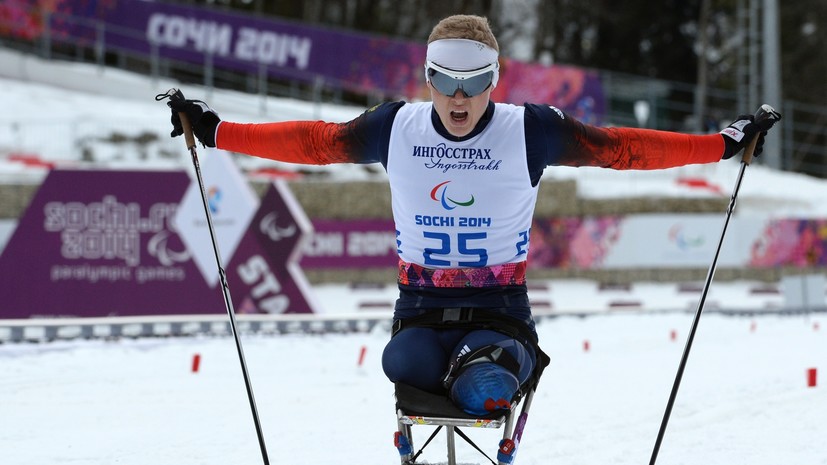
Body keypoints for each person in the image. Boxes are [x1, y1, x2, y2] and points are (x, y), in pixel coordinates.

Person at [165, 14, 780, 416]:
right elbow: (314, 143)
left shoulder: (530, 130)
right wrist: (216, 132)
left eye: (475, 81)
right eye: (445, 80)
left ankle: (494, 366)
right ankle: (476, 367)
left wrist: (720, 146)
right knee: (401, 367)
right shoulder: (395, 127)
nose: (459, 98)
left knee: (481, 391)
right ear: (428, 78)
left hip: (499, 309)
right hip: (419, 309)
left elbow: (622, 149)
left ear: (494, 80)